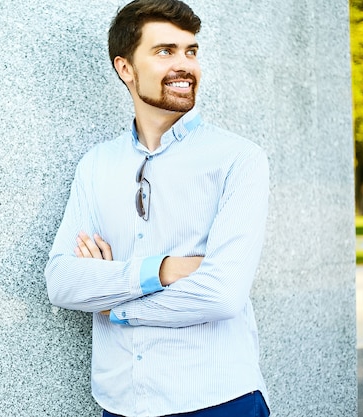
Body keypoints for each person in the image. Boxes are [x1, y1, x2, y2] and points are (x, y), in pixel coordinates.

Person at [44, 0, 270, 416]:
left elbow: (222, 295)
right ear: (125, 68)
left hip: (216, 401)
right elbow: (61, 281)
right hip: (119, 403)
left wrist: (114, 303)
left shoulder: (238, 158)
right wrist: (162, 270)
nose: (185, 65)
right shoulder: (97, 165)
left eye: (191, 51)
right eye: (165, 51)